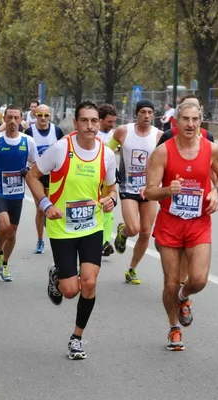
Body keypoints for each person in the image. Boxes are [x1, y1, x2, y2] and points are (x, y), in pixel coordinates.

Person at [26, 101, 117, 360]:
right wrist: (45, 204)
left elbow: (111, 189)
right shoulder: (60, 149)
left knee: (89, 282)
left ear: (99, 124)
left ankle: (76, 338)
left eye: (94, 121)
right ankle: (58, 276)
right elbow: (32, 176)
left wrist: (112, 200)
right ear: (75, 124)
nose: (90, 126)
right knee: (69, 291)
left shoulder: (106, 154)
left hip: (91, 227)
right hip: (62, 229)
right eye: (85, 121)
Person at [146, 101, 218, 351]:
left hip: (199, 222)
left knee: (199, 279)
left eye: (195, 119)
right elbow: (149, 192)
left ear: (200, 122)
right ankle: (174, 329)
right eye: (185, 119)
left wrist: (216, 190)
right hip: (170, 223)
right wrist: (167, 190)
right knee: (170, 282)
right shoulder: (163, 152)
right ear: (176, 121)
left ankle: (183, 297)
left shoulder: (211, 149)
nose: (190, 124)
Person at [0, 105, 38, 282]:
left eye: (16, 118)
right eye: (10, 117)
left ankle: (4, 264)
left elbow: (36, 163)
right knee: (4, 225)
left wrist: (27, 169)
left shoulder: (28, 141)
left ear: (21, 120)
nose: (13, 121)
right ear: (4, 119)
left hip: (17, 192)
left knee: (12, 233)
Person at [109, 99, 162, 284]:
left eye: (150, 112)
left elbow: (166, 161)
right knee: (134, 228)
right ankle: (123, 231)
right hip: (127, 186)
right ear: (137, 114)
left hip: (149, 189)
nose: (146, 115)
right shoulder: (124, 131)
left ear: (153, 115)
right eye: (143, 112)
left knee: (146, 232)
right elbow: (107, 152)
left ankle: (131, 269)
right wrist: (108, 173)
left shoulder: (159, 135)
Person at [24, 104, 64, 254]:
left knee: (56, 208)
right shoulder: (29, 132)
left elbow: (64, 150)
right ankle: (40, 240)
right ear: (35, 115)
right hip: (37, 176)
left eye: (46, 115)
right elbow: (23, 150)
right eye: (39, 115)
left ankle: (59, 238)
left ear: (50, 116)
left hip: (54, 175)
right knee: (41, 209)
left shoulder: (56, 130)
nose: (42, 118)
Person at [96, 103, 118, 256]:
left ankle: (104, 242)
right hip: (91, 175)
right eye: (109, 122)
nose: (112, 125)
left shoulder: (115, 134)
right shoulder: (92, 132)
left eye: (113, 122)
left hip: (108, 176)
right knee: (96, 206)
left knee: (109, 205)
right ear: (101, 119)